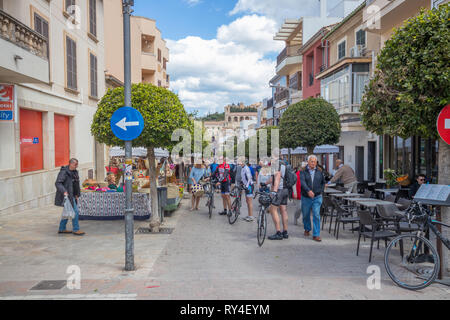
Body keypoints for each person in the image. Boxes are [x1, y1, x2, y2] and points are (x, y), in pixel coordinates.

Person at [55, 158, 85, 236]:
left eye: (77, 164)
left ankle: (62, 228)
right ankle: (76, 229)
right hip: (67, 195)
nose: (76, 166)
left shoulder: (75, 172)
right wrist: (64, 191)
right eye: (75, 164)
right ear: (71, 164)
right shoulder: (64, 172)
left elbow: (76, 184)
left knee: (67, 212)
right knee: (75, 212)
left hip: (73, 195)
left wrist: (77, 194)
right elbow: (58, 183)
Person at [300, 155, 325, 242]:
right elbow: (302, 182)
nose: (313, 163)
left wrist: (320, 191)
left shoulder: (320, 171)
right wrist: (308, 191)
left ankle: (316, 234)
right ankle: (307, 228)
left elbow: (323, 183)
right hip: (306, 197)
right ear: (308, 162)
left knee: (316, 214)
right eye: (311, 161)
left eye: (315, 161)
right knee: (306, 214)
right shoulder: (303, 171)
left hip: (317, 197)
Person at [268, 154, 290, 240]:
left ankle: (278, 232)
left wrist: (274, 192)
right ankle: (285, 232)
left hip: (279, 190)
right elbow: (272, 179)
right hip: (285, 190)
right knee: (283, 210)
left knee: (272, 209)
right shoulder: (284, 164)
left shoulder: (276, 166)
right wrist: (265, 183)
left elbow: (276, 179)